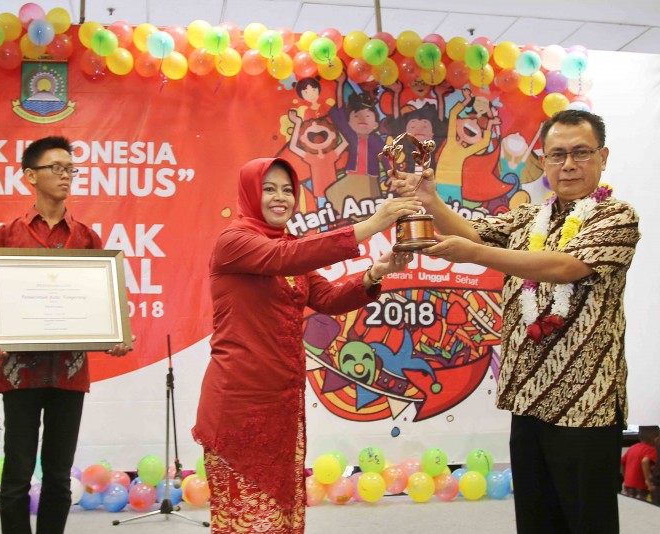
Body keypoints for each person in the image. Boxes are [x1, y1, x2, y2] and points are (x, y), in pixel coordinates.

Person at [392, 109, 640, 533]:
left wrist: (477, 256)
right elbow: (473, 233)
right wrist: (431, 201)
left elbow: (565, 267)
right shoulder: (530, 216)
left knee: (588, 521)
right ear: (543, 161)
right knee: (536, 519)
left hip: (586, 402)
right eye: (557, 154)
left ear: (603, 157)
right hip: (528, 397)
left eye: (581, 152)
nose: (568, 164)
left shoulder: (616, 216)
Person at [192, 157, 421, 533]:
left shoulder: (288, 245)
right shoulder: (234, 242)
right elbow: (284, 259)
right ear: (249, 193)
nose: (280, 197)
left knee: (280, 514)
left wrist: (375, 273)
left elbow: (328, 298)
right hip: (239, 402)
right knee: (248, 521)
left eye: (287, 190)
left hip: (283, 401)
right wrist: (373, 224)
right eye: (268, 189)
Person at [0, 136, 131, 534]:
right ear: (30, 176)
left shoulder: (86, 237)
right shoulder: (6, 236)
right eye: (56, 168)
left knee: (59, 476)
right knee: (16, 474)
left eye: (70, 169)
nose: (66, 176)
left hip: (69, 372)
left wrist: (114, 335)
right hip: (19, 373)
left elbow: (101, 303)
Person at [621, 425, 659, 501]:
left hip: (628, 484)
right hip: (641, 486)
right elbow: (645, 461)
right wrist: (648, 481)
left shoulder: (632, 448)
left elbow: (621, 462)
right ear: (656, 439)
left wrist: (625, 477)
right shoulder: (651, 450)